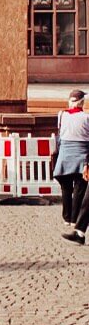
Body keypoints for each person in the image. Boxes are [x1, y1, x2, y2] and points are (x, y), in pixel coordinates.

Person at [56, 91, 89, 242]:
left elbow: (59, 135)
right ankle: (76, 222)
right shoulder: (86, 117)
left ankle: (68, 218)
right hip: (81, 154)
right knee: (80, 189)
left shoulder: (62, 115)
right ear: (82, 102)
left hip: (65, 153)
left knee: (66, 187)